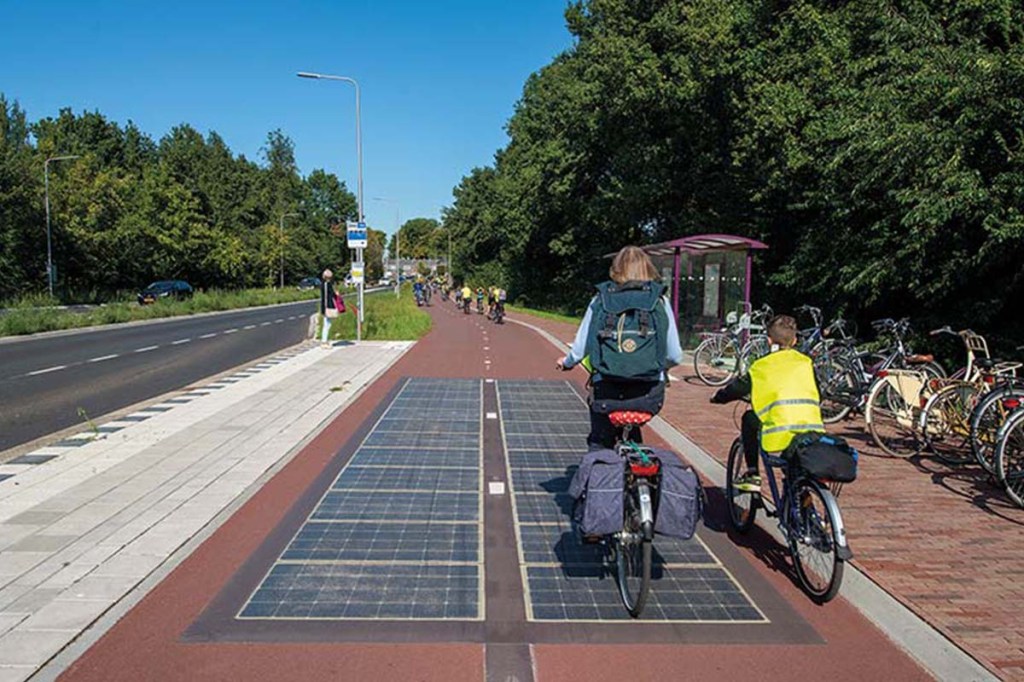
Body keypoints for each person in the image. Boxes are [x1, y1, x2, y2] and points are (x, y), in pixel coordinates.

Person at [557, 246, 683, 450]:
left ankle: (600, 471)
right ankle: (637, 469)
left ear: (616, 269)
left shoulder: (601, 299)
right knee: (632, 427)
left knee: (599, 440)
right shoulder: (660, 300)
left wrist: (567, 362)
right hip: (649, 393)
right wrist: (660, 367)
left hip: (607, 389)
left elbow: (581, 349)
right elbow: (675, 355)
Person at [709, 314, 825, 491]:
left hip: (779, 430)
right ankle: (804, 500)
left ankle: (753, 473)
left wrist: (719, 397)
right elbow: (819, 393)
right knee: (794, 465)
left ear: (769, 341)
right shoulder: (806, 363)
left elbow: (738, 388)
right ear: (794, 341)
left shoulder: (760, 366)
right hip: (812, 428)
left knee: (749, 419)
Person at [319, 269, 339, 348]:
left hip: (324, 306)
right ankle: (324, 342)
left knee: (326, 324)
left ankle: (324, 341)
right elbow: (331, 295)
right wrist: (336, 294)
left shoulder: (323, 284)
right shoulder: (328, 284)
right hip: (328, 306)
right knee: (327, 324)